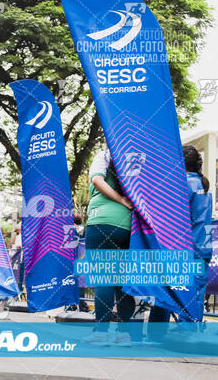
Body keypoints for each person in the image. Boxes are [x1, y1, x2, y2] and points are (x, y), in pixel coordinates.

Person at [149, 145, 213, 334]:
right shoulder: (202, 184)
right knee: (196, 293)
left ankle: (165, 333)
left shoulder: (179, 184)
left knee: (169, 289)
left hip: (184, 247)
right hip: (203, 246)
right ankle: (191, 331)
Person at [82, 145, 135, 346]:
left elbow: (97, 179)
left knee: (104, 278)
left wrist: (119, 199)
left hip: (102, 221)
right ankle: (124, 334)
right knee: (122, 281)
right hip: (129, 225)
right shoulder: (136, 160)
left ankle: (101, 332)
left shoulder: (104, 156)